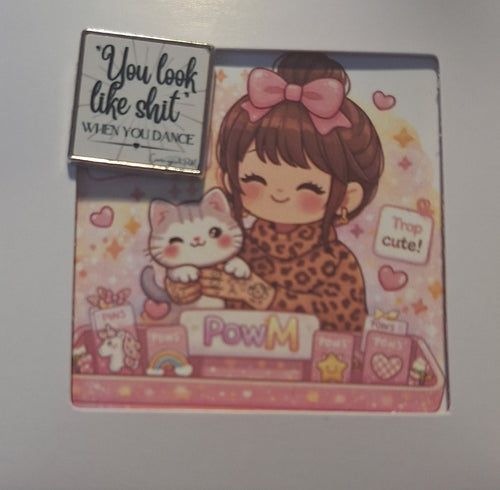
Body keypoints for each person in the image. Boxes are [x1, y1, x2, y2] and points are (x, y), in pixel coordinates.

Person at [173, 52, 384, 332]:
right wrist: (184, 285)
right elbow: (203, 277)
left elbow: (347, 320)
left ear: (348, 197)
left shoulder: (336, 262)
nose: (280, 194)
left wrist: (261, 295)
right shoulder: (236, 247)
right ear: (229, 180)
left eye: (309, 187)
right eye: (254, 179)